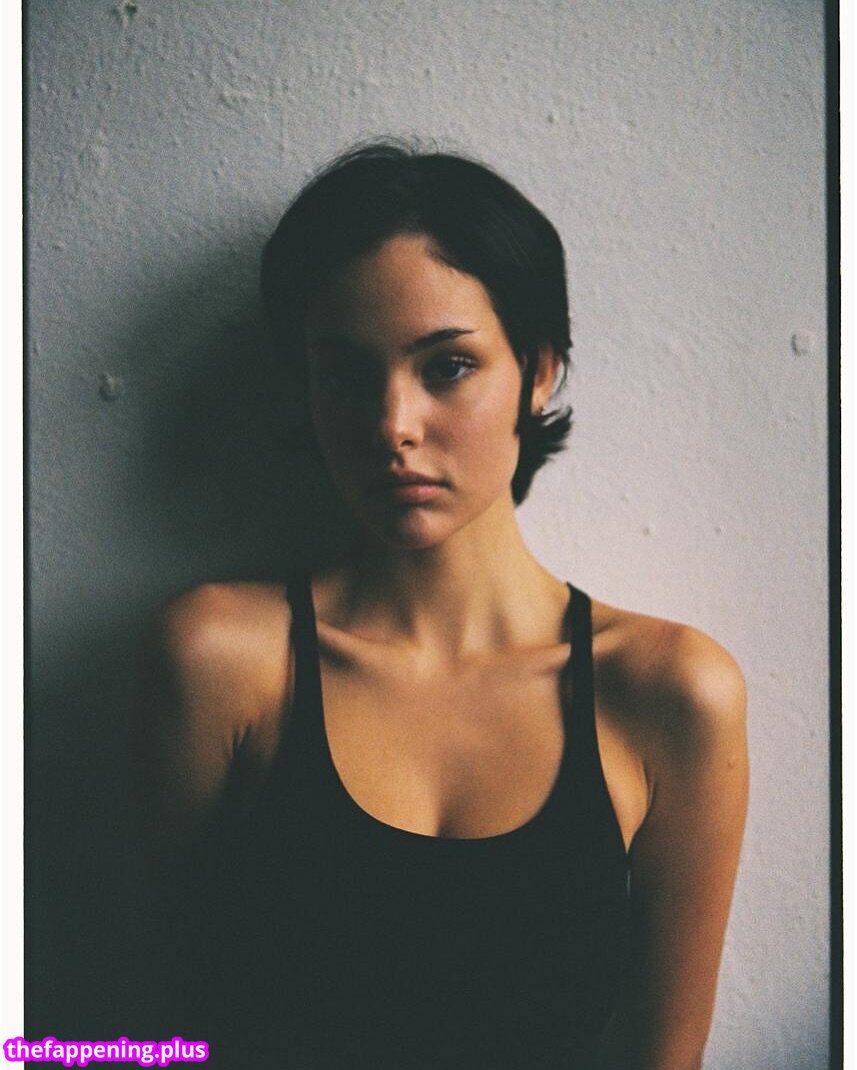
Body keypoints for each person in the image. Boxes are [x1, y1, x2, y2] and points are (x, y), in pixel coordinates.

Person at [137, 143, 748, 1069]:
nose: (393, 425)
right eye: (346, 373)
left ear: (538, 372)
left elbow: (662, 1056)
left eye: (448, 366)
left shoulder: (670, 692)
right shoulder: (220, 660)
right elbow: (165, 1028)